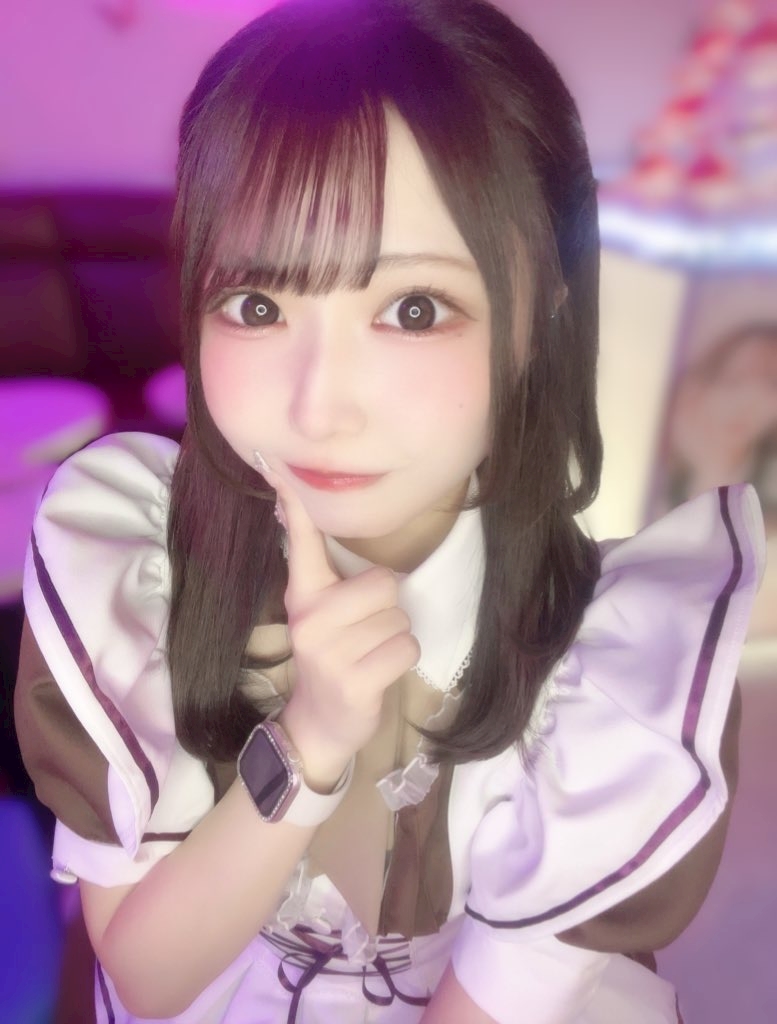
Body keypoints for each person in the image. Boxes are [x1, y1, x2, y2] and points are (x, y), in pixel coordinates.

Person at [14, 1, 764, 1021]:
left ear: (542, 302)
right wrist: (312, 740)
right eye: (258, 305)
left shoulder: (620, 667)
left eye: (413, 310)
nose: (318, 407)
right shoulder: (138, 569)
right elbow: (145, 978)